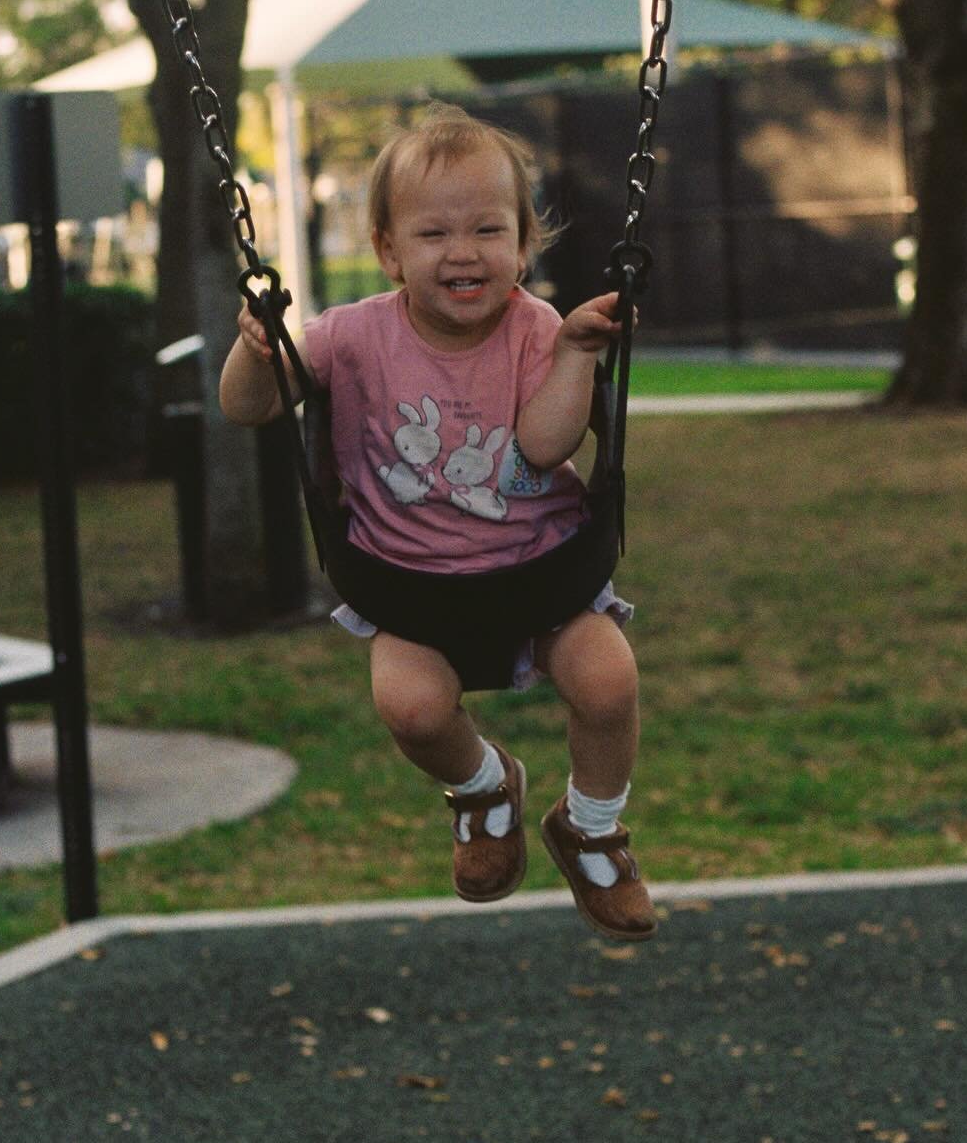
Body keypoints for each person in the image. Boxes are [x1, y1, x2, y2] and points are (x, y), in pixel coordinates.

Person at [219, 104, 655, 940]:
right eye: (432, 234)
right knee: (412, 710)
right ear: (387, 250)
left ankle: (592, 829)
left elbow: (541, 445)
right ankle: (487, 788)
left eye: (489, 229)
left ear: (524, 245)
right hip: (409, 586)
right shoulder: (346, 337)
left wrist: (573, 356)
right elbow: (248, 409)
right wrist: (257, 348)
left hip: (543, 570)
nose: (463, 252)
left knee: (611, 684)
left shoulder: (537, 330)